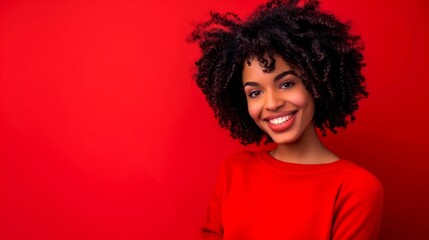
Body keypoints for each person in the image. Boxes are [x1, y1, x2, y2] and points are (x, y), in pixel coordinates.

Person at [189, 0, 384, 239]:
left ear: (316, 83)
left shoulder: (356, 189)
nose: (271, 103)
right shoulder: (234, 171)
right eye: (255, 92)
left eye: (286, 84)